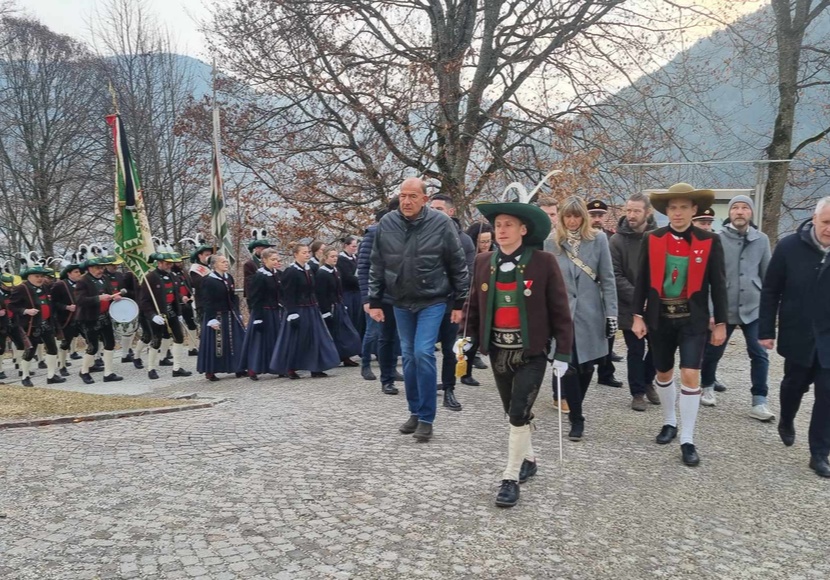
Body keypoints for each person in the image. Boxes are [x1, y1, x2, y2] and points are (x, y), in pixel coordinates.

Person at [465, 200, 573, 507]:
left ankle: (509, 478)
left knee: (517, 414)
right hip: (498, 350)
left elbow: (560, 310)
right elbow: (473, 305)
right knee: (514, 412)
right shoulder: (483, 261)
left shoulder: (544, 262)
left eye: (508, 225)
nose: (501, 230)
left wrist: (563, 353)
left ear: (523, 230)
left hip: (531, 352)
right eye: (498, 225)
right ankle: (529, 459)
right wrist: (467, 337)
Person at [632, 183, 727, 467]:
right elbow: (641, 280)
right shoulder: (652, 238)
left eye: (684, 207)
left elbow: (719, 285)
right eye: (673, 207)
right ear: (666, 211)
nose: (678, 212)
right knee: (663, 372)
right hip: (660, 318)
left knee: (690, 374)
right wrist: (637, 315)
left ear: (694, 209)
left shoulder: (710, 240)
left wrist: (721, 322)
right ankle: (670, 421)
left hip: (693, 319)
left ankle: (687, 438)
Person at [368, 177, 469, 442]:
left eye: (413, 196)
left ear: (424, 199)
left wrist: (460, 302)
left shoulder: (441, 223)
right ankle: (414, 412)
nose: (406, 201)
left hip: (433, 299)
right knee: (409, 356)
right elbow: (377, 263)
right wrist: (374, 300)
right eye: (403, 195)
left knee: (423, 352)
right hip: (400, 300)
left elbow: (457, 263)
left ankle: (426, 418)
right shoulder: (387, 223)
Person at [759, 196, 830, 478]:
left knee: (827, 394)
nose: (829, 228)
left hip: (828, 337)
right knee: (794, 385)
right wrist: (766, 330)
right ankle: (786, 418)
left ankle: (819, 453)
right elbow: (771, 290)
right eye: (826, 222)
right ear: (814, 219)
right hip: (798, 333)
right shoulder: (789, 247)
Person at [699, 195, 773, 420]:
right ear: (730, 213)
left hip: (754, 307)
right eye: (736, 208)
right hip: (725, 307)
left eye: (745, 208)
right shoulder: (717, 239)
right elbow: (708, 280)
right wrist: (711, 312)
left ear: (751, 212)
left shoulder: (761, 240)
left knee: (759, 353)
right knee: (714, 350)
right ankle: (707, 386)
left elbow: (767, 277)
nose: (740, 211)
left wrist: (769, 312)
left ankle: (759, 401)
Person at [550, 197, 618, 441]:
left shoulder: (598, 239)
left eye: (576, 216)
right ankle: (577, 418)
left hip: (591, 311)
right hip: (562, 313)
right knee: (567, 366)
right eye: (568, 216)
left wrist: (611, 313)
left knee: (587, 366)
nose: (572, 221)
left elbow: (607, 278)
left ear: (583, 217)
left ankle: (576, 407)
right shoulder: (551, 242)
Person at [609, 192, 660, 411]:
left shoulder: (659, 237)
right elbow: (615, 275)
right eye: (628, 210)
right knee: (636, 350)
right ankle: (637, 392)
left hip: (656, 305)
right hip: (629, 306)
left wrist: (653, 298)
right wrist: (639, 299)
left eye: (636, 211)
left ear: (647, 212)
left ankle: (648, 381)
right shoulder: (617, 240)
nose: (631, 215)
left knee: (658, 348)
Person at [429, 193, 475, 411]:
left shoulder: (464, 240)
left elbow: (468, 274)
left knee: (450, 349)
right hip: (426, 301)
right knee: (424, 349)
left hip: (450, 303)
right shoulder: (422, 234)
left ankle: (449, 388)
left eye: (439, 209)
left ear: (451, 211)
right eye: (431, 208)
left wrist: (460, 302)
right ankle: (425, 386)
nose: (434, 213)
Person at [270, 242, 340, 379]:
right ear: (296, 254)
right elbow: (287, 294)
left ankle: (315, 367)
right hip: (299, 310)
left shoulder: (309, 269)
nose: (307, 254)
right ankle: (290, 367)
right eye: (304, 252)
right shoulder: (291, 271)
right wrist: (292, 313)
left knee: (316, 338)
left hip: (311, 308)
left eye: (308, 252)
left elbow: (313, 290)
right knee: (296, 339)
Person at [359, 200, 404, 394]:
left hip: (405, 294)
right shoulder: (373, 233)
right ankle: (368, 366)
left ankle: (392, 369)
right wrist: (367, 298)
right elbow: (363, 267)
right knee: (376, 334)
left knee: (396, 336)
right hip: (380, 294)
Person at [139, 248, 192, 380]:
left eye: (170, 263)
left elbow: (175, 293)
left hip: (171, 312)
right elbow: (144, 301)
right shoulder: (150, 278)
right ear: (159, 263)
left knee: (179, 338)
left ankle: (177, 368)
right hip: (157, 314)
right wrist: (152, 316)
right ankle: (151, 368)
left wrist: (179, 307)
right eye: (167, 263)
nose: (169, 266)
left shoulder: (172, 276)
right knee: (156, 340)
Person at [587, 199, 624, 386]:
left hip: (606, 290)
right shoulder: (583, 238)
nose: (597, 219)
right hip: (588, 291)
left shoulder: (611, 238)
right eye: (593, 215)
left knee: (608, 333)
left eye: (600, 215)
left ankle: (606, 373)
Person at [9, 265, 64, 386]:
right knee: (30, 351)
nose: (40, 279)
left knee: (52, 349)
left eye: (41, 276)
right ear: (29, 276)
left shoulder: (45, 287)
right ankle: (25, 376)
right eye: (37, 276)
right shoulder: (21, 288)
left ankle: (51, 376)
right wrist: (25, 311)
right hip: (31, 325)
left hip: (46, 323)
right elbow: (11, 306)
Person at [74, 257, 125, 384]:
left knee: (110, 343)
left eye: (102, 267)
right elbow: (80, 300)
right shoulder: (83, 281)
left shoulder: (104, 278)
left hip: (104, 316)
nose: (100, 270)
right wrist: (99, 298)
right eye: (98, 268)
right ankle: (84, 371)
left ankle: (108, 373)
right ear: (90, 268)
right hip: (89, 318)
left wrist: (114, 297)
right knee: (93, 346)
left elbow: (109, 293)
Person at [197, 254, 247, 381]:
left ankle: (238, 367)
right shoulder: (208, 280)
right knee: (216, 344)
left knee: (235, 342)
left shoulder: (228, 277)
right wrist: (211, 318)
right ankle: (211, 370)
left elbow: (233, 296)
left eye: (226, 261)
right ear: (214, 265)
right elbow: (206, 301)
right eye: (223, 262)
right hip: (216, 315)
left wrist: (237, 311)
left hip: (230, 314)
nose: (226, 263)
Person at [239, 247, 283, 380]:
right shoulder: (259, 276)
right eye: (272, 259)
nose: (275, 262)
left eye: (277, 259)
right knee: (259, 342)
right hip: (263, 312)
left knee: (276, 340)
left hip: (275, 312)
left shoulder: (278, 274)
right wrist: (257, 317)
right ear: (264, 260)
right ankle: (253, 368)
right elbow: (255, 298)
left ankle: (278, 367)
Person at [317, 248, 362, 367]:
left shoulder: (335, 270)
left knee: (348, 332)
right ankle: (339, 357)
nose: (335, 258)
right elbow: (321, 294)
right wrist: (326, 311)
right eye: (332, 256)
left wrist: (342, 303)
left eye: (336, 256)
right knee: (336, 333)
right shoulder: (322, 273)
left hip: (339, 305)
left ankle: (346, 355)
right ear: (325, 258)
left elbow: (339, 289)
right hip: (331, 307)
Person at [51, 260, 83, 378]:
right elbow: (53, 303)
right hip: (66, 319)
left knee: (91, 340)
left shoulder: (82, 284)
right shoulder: (60, 285)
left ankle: (92, 363)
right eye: (76, 272)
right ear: (69, 274)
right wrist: (66, 307)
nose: (79, 274)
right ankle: (62, 365)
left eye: (79, 272)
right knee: (65, 343)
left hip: (82, 317)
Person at [337, 236, 364, 339]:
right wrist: (361, 280)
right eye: (353, 246)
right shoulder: (341, 260)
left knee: (359, 319)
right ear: (346, 246)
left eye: (356, 246)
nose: (355, 248)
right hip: (348, 292)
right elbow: (347, 277)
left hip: (357, 291)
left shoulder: (355, 257)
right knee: (350, 317)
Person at [243, 229, 275, 302]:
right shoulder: (249, 264)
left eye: (266, 248)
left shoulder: (271, 262)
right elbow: (250, 284)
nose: (265, 251)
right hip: (257, 299)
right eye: (263, 248)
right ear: (256, 249)